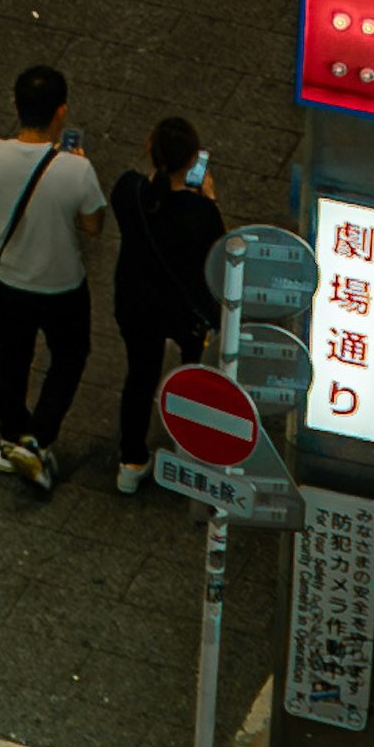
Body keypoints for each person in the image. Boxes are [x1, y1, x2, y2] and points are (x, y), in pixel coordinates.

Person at [0, 59, 113, 489]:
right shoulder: (76, 169)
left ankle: (10, 436)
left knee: (13, 353)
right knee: (69, 355)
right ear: (61, 112)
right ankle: (38, 439)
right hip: (60, 285)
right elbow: (93, 225)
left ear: (15, 103)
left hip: (6, 279)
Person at [106, 117, 225, 494]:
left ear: (149, 146)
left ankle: (131, 461)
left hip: (136, 301)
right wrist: (208, 201)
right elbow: (217, 254)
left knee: (140, 375)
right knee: (191, 373)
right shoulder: (200, 213)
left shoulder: (128, 191)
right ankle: (187, 452)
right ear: (193, 161)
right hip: (184, 309)